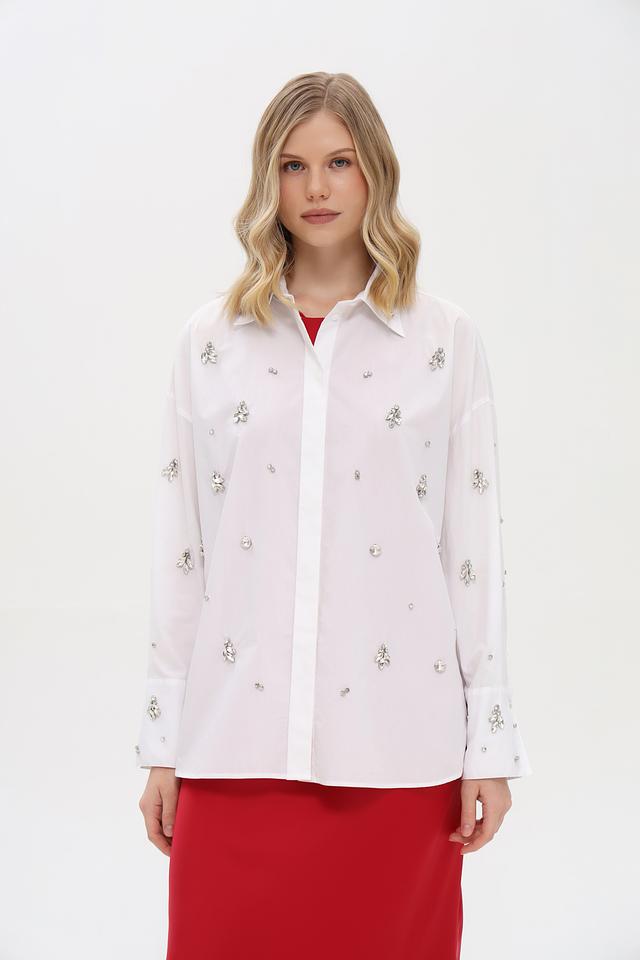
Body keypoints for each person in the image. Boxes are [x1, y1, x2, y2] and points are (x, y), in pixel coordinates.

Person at [135, 71, 533, 959]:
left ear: (374, 172)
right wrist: (162, 743)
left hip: (400, 751)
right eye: (293, 165)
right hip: (233, 746)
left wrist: (491, 746)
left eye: (340, 162)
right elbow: (181, 557)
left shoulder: (445, 342)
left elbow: (471, 552)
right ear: (267, 182)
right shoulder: (209, 344)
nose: (316, 187)